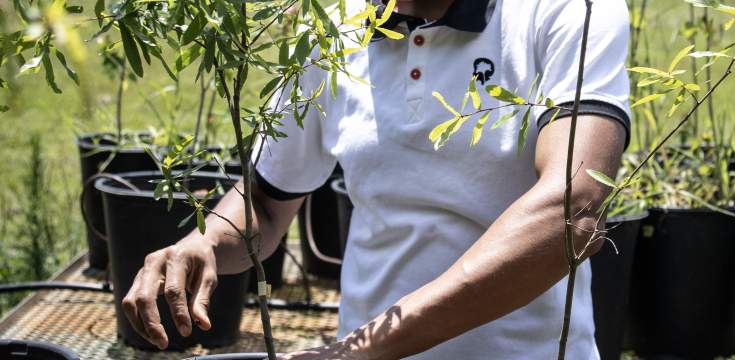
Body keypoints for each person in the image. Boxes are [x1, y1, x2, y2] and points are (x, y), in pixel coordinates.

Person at [121, 0, 631, 358]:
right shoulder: (332, 26)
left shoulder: (565, 11)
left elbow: (574, 209)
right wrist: (205, 242)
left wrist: (363, 351)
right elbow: (268, 201)